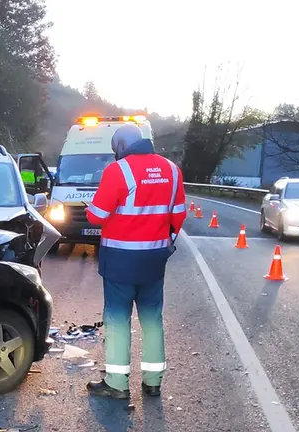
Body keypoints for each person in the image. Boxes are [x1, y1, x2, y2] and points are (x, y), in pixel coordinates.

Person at [84, 122, 186, 400]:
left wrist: (93, 209)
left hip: (120, 260)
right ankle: (153, 382)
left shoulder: (118, 171)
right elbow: (178, 216)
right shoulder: (172, 170)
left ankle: (117, 383)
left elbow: (96, 216)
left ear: (119, 147)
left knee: (117, 320)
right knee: (152, 318)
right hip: (154, 260)